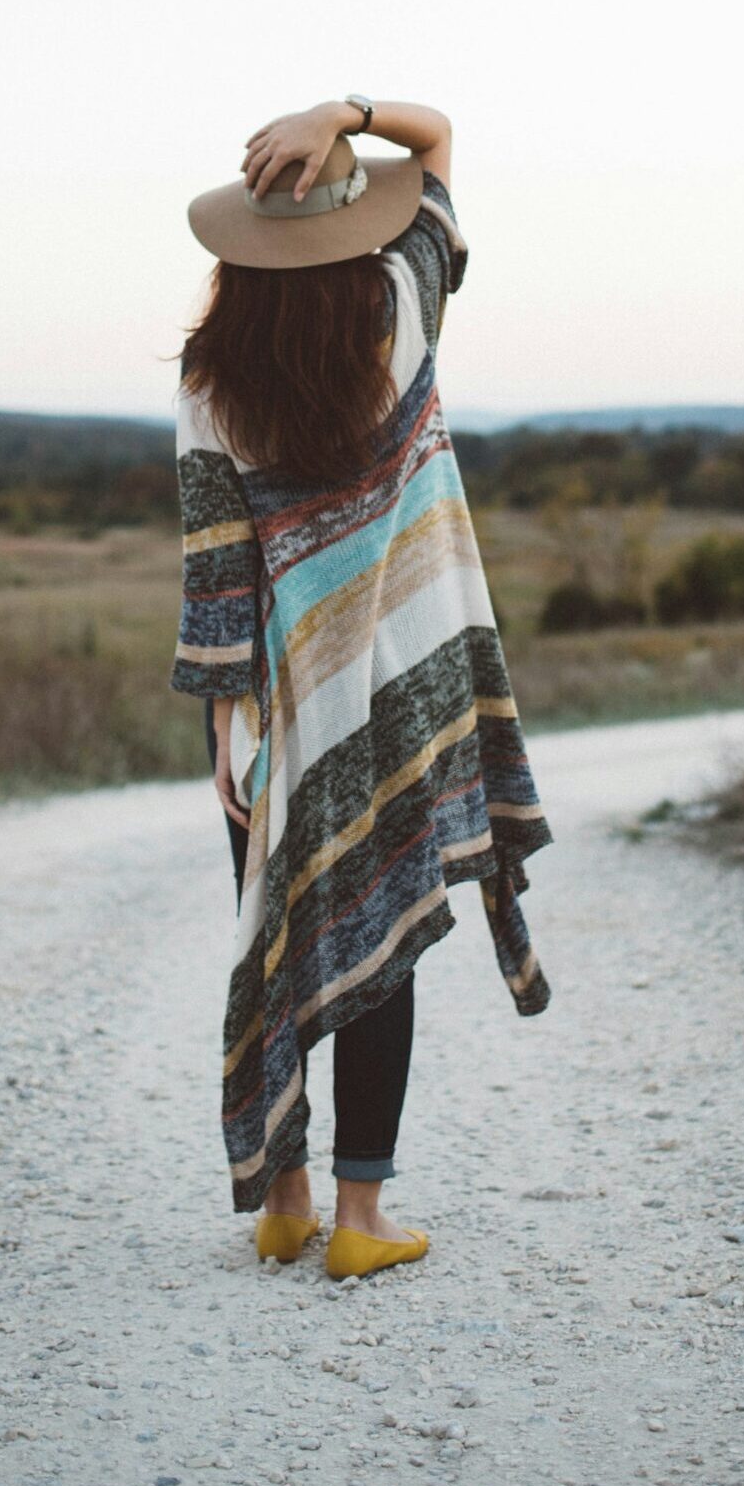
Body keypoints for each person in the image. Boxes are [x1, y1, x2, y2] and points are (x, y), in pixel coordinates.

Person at [169, 96, 555, 1281]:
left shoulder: (209, 375)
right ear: (352, 221)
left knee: (279, 919)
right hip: (408, 685)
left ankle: (281, 1198)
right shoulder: (403, 303)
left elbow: (218, 567)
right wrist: (348, 109)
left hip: (279, 702)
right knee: (381, 921)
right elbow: (436, 144)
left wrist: (227, 724)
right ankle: (361, 1218)